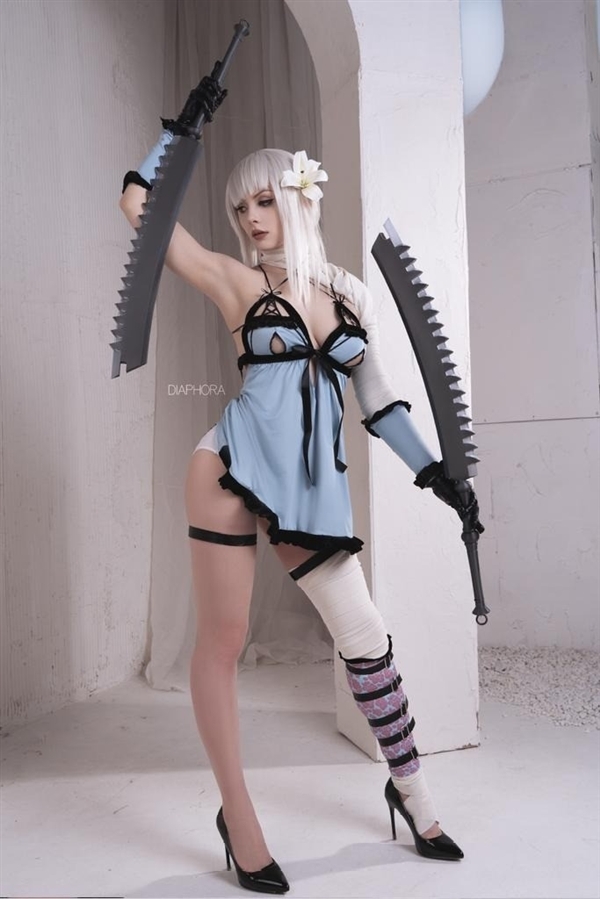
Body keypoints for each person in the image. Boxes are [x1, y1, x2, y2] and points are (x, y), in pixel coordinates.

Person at [119, 88, 480, 894]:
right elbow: (138, 205)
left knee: (366, 638)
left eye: (263, 200)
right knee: (223, 640)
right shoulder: (235, 284)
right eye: (239, 206)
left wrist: (439, 476)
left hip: (310, 490)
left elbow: (380, 404)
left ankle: (415, 797)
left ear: (297, 198)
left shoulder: (351, 294)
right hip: (229, 468)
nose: (250, 218)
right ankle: (239, 820)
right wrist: (178, 133)